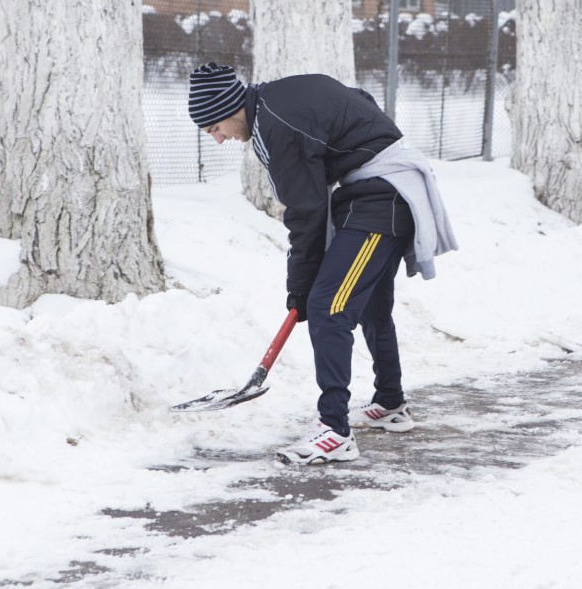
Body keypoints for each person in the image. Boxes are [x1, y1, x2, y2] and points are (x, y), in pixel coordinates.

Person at [188, 62, 458, 465]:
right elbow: (356, 98)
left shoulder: (274, 126)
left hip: (381, 198)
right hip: (379, 192)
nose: (219, 140)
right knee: (367, 305)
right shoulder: (280, 95)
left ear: (228, 108)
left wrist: (300, 287)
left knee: (328, 306)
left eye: (215, 129)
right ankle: (390, 404)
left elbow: (306, 211)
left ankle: (335, 431)